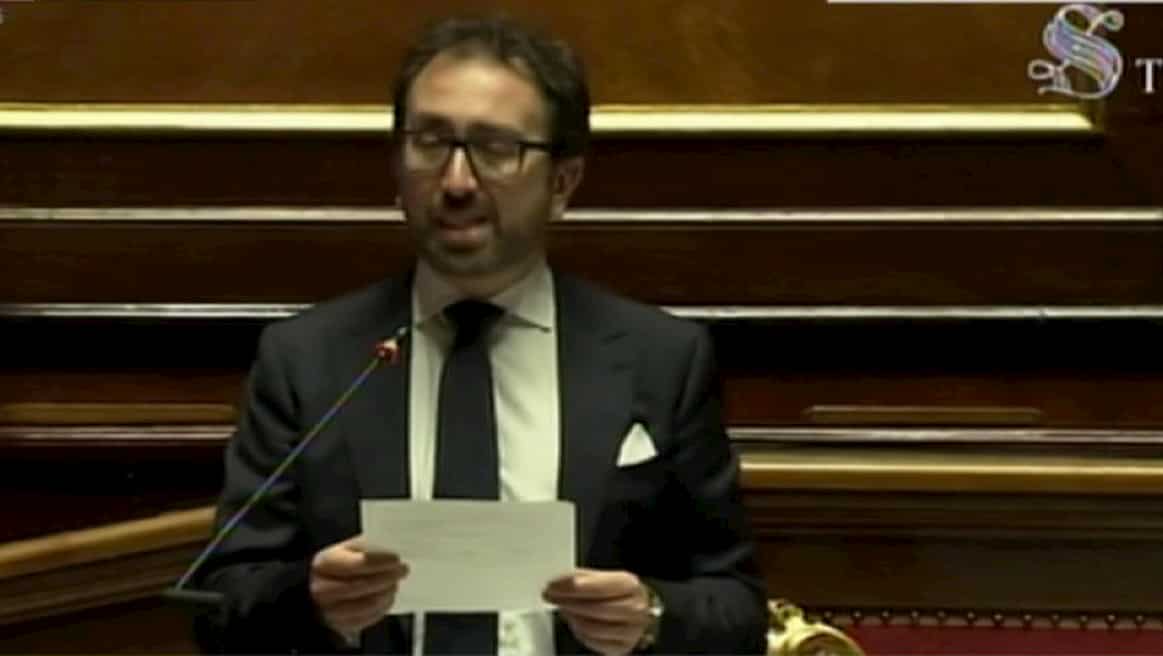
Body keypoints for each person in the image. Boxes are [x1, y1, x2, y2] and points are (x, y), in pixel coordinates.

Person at [194, 14, 767, 655]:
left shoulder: (661, 360)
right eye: (430, 142)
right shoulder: (307, 360)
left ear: (562, 182)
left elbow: (737, 607)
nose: (457, 181)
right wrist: (310, 602)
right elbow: (219, 602)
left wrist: (652, 615)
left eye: (496, 149)